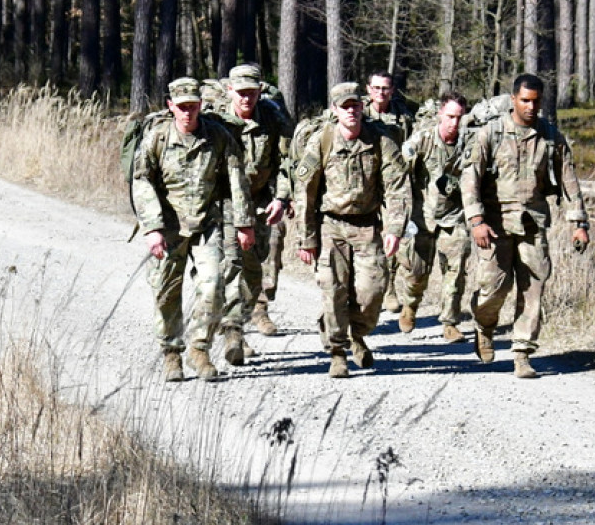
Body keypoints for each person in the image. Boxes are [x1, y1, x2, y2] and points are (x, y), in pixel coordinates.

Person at [460, 73, 591, 378]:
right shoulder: (490, 134)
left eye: (536, 101)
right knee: (493, 289)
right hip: (494, 225)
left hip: (533, 223)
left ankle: (522, 352)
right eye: (525, 101)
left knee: (534, 287)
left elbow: (569, 181)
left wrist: (579, 222)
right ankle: (484, 325)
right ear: (514, 99)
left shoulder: (550, 137)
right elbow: (471, 179)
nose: (531, 107)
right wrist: (476, 220)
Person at [132, 77, 255, 382]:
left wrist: (243, 224)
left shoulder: (218, 137)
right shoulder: (157, 139)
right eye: (182, 107)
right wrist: (152, 228)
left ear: (201, 104)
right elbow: (141, 180)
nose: (188, 113)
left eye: (193, 106)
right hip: (169, 227)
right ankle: (171, 353)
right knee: (166, 292)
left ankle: (199, 349)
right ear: (171, 106)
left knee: (213, 286)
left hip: (206, 225)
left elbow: (236, 182)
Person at [296, 82, 411, 377]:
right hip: (330, 226)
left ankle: (356, 334)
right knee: (333, 289)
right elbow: (305, 192)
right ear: (335, 110)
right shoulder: (322, 141)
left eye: (355, 105)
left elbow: (397, 187)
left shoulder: (381, 141)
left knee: (372, 292)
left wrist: (395, 229)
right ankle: (337, 351)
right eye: (344, 106)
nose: (351, 111)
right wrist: (306, 238)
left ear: (362, 107)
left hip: (367, 226)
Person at [210, 63, 293, 367]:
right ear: (230, 90)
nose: (246, 99)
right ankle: (232, 333)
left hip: (259, 203)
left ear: (260, 91)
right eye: (241, 93)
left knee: (254, 275)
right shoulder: (215, 119)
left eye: (252, 93)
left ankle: (238, 324)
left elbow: (288, 163)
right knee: (230, 267)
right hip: (225, 205)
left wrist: (282, 198)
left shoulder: (273, 118)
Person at [396, 91, 471, 343]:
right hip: (422, 218)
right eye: (450, 116)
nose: (454, 123)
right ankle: (410, 306)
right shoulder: (422, 140)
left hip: (454, 218)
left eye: (459, 117)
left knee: (455, 270)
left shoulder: (470, 144)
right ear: (440, 114)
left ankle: (450, 322)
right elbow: (397, 171)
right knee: (417, 273)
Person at [362, 70, 416, 313]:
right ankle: (366, 288)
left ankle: (390, 288)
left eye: (385, 88)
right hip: (364, 183)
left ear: (392, 90)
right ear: (368, 89)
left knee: (393, 235)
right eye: (376, 88)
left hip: (393, 184)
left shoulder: (403, 117)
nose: (380, 93)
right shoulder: (360, 114)